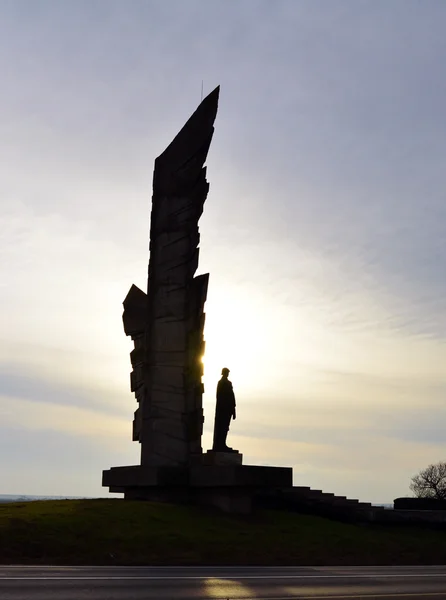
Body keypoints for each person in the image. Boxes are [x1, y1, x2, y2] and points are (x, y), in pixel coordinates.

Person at [212, 367, 237, 452]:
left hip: (228, 408)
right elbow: (219, 396)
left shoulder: (229, 383)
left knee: (225, 427)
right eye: (226, 372)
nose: (227, 374)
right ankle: (220, 444)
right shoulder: (221, 383)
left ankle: (223, 443)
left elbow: (232, 396)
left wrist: (233, 409)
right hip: (223, 409)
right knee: (221, 427)